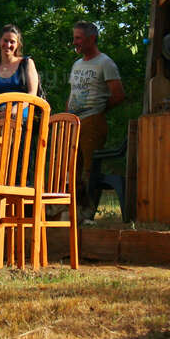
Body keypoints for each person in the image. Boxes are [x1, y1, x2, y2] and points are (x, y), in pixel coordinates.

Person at [67, 21, 125, 220]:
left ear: (91, 39)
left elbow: (118, 95)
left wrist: (97, 110)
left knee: (89, 170)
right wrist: (68, 117)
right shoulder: (77, 64)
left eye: (78, 38)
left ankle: (88, 214)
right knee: (71, 168)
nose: (75, 42)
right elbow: (72, 93)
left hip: (93, 121)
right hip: (74, 123)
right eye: (74, 37)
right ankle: (73, 211)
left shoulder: (105, 63)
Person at [0, 23, 39, 108]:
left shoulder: (27, 63)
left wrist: (14, 110)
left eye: (12, 42)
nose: (8, 45)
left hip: (23, 117)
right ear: (0, 41)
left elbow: (32, 94)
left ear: (18, 44)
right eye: (5, 40)